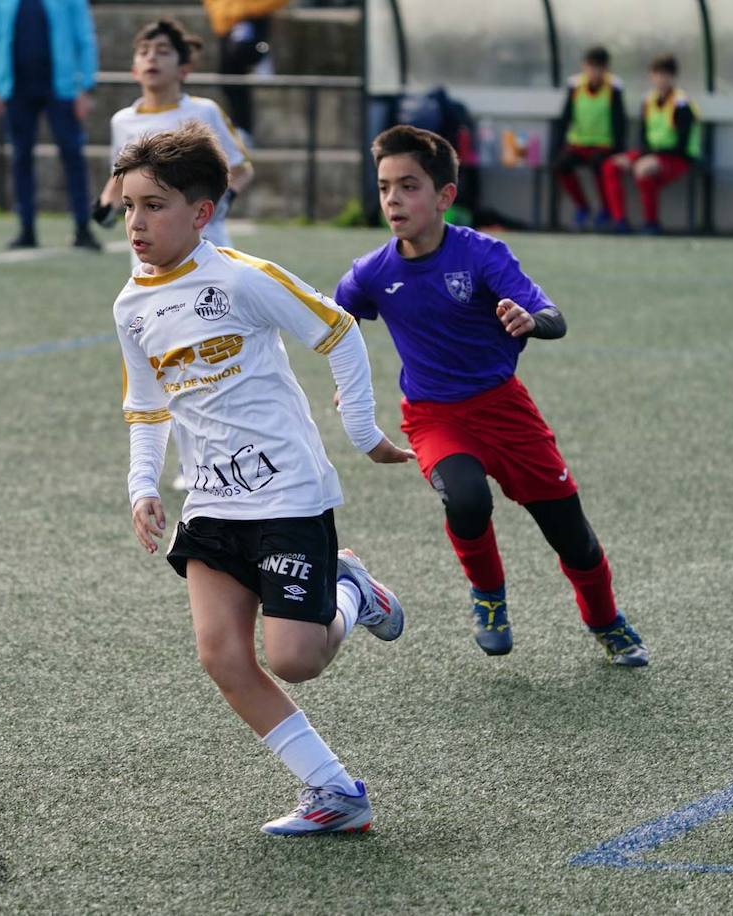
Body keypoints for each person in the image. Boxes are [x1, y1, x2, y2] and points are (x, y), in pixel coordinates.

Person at [114, 122, 413, 835]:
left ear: (201, 212)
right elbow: (147, 404)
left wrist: (364, 433)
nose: (136, 222)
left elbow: (338, 329)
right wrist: (143, 485)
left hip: (287, 496)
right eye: (128, 206)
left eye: (153, 205)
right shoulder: (131, 304)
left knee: (295, 658)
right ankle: (335, 792)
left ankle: (350, 587)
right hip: (212, 502)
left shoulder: (244, 278)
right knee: (222, 655)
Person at [334, 125, 648, 667]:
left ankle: (606, 620)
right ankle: (490, 600)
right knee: (467, 498)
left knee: (573, 539)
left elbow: (553, 317)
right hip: (434, 417)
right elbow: (335, 326)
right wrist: (348, 388)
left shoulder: (482, 255)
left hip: (506, 411)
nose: (392, 199)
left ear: (444, 196)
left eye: (408, 186)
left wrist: (530, 320)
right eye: (385, 186)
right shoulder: (371, 273)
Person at [93, 18, 254, 253]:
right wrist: (105, 205)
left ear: (184, 69)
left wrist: (225, 197)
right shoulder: (122, 121)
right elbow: (121, 178)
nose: (152, 57)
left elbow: (242, 169)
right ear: (135, 71)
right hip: (150, 253)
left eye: (163, 51)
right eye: (144, 52)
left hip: (206, 245)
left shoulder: (204, 111)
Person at [0, 0, 100, 251]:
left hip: (62, 91)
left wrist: (85, 87)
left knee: (72, 155)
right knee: (21, 158)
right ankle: (26, 229)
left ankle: (82, 227)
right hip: (16, 91)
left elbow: (85, 39)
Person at [601, 54, 700, 235]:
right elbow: (643, 136)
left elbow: (683, 144)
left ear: (673, 77)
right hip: (651, 154)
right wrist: (640, 155)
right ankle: (619, 220)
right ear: (651, 76)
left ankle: (651, 223)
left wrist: (650, 158)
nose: (661, 79)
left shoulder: (682, 102)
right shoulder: (648, 100)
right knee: (611, 165)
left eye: (665, 74)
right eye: (657, 74)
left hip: (677, 158)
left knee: (643, 170)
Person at [552, 46, 627, 231]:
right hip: (578, 144)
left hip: (603, 145)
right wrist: (558, 146)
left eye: (599, 67)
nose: (595, 72)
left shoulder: (613, 89)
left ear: (606, 69)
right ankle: (582, 207)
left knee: (599, 165)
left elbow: (620, 122)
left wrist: (619, 150)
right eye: (591, 67)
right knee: (561, 165)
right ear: (584, 67)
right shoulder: (575, 87)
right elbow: (565, 119)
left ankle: (606, 210)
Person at [202, 0, 289, 144]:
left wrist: (242, 10)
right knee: (229, 80)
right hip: (226, 24)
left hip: (249, 19)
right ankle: (242, 128)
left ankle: (260, 54)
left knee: (244, 49)